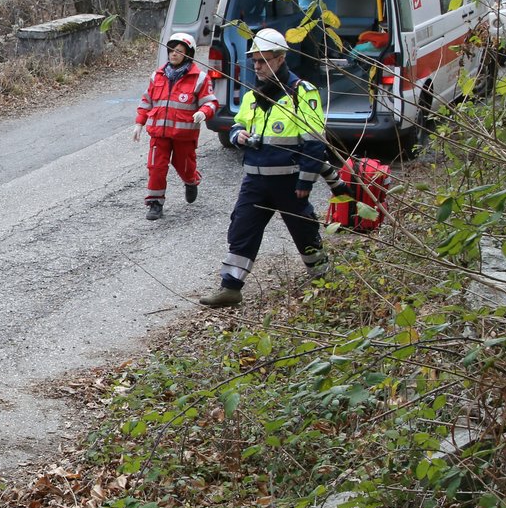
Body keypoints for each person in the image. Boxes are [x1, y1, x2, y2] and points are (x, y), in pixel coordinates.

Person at [198, 29, 370, 308]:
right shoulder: (255, 94)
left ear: (280, 59)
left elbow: (315, 143)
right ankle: (230, 287)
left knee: (304, 232)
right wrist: (237, 136)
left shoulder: (303, 94)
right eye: (254, 61)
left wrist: (305, 183)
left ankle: (322, 279)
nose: (257, 67)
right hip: (255, 182)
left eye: (263, 61)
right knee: (241, 230)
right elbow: (239, 124)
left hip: (290, 183)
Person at [133, 32, 215, 220]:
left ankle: (191, 180)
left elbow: (210, 102)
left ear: (188, 54)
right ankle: (155, 203)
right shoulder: (158, 76)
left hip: (183, 134)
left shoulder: (199, 78)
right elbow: (146, 101)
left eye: (179, 51)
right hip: (159, 134)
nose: (174, 54)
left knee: (184, 165)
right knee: (156, 167)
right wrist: (139, 123)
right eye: (171, 50)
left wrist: (203, 112)